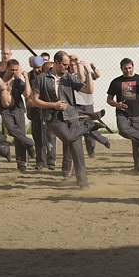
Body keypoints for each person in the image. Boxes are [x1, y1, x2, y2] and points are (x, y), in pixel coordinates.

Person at [30, 51, 102, 189]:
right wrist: (53, 105)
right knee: (67, 137)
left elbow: (88, 90)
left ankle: (83, 183)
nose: (66, 68)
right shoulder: (42, 78)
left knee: (77, 152)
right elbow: (35, 101)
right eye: (64, 65)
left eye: (68, 65)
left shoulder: (68, 77)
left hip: (72, 116)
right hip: (53, 118)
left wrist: (87, 70)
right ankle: (88, 125)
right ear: (56, 63)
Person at [107, 58, 139, 175]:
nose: (128, 70)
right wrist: (116, 104)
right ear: (121, 68)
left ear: (133, 67)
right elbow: (109, 100)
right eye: (125, 68)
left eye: (129, 68)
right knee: (123, 130)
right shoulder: (116, 82)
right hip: (122, 114)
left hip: (138, 114)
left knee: (138, 143)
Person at [0, 59, 36, 171]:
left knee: (19, 135)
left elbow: (27, 94)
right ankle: (29, 143)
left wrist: (26, 79)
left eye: (16, 70)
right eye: (12, 70)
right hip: (5, 110)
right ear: (7, 67)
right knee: (11, 130)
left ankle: (21, 163)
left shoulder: (18, 81)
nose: (14, 72)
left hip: (17, 109)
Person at [69, 55, 110, 158]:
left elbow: (97, 75)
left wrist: (94, 68)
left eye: (74, 64)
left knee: (89, 128)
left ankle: (91, 152)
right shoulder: (68, 76)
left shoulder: (85, 74)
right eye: (71, 65)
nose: (73, 67)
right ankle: (102, 139)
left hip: (87, 104)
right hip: (76, 106)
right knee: (86, 127)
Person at [27, 56, 56, 170]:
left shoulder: (52, 79)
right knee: (38, 136)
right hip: (36, 110)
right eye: (35, 68)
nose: (37, 70)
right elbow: (28, 97)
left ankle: (51, 160)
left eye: (39, 67)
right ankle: (40, 161)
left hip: (49, 111)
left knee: (50, 136)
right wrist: (29, 109)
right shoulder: (32, 78)